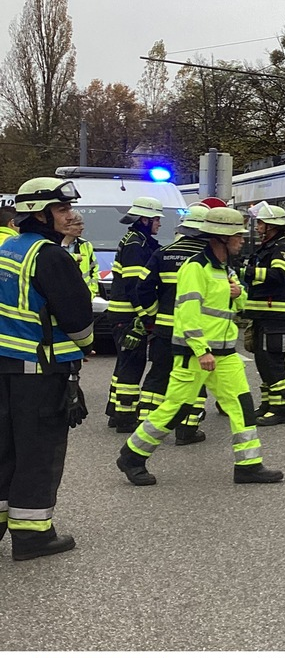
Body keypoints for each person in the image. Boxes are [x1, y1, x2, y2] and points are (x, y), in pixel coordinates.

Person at [116, 207, 284, 486]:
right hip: (196, 355)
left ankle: (249, 465)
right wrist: (200, 349)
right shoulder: (195, 268)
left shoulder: (224, 269)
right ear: (220, 237)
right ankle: (132, 455)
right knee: (176, 408)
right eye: (237, 236)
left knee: (241, 405)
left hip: (225, 354)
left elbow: (236, 310)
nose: (242, 240)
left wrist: (238, 293)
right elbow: (186, 313)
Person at [0, 177, 94, 560]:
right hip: (40, 372)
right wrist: (86, 345)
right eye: (61, 209)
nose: (70, 215)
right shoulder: (51, 256)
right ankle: (33, 535)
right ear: (39, 214)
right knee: (39, 453)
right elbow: (77, 317)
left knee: (4, 450)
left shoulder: (7, 249)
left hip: (4, 367)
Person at [132, 203, 212, 446]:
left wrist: (154, 314)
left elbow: (142, 288)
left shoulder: (163, 253)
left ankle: (145, 425)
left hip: (164, 329)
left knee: (157, 376)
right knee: (195, 378)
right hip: (198, 331)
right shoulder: (211, 259)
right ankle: (187, 429)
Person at [106, 197, 163, 434]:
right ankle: (125, 417)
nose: (159, 223)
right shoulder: (135, 245)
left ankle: (115, 409)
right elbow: (135, 286)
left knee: (124, 363)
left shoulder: (139, 241)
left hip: (125, 314)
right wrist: (146, 315)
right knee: (132, 364)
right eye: (157, 219)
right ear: (145, 219)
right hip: (129, 316)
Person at [243, 204, 285, 426]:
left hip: (275, 315)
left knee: (273, 362)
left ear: (272, 226)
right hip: (261, 315)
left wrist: (246, 271)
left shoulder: (284, 248)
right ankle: (267, 404)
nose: (257, 227)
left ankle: (282, 410)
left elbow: (278, 275)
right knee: (262, 362)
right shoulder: (265, 248)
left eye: (261, 223)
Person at [61, 211, 99, 298]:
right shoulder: (53, 245)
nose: (82, 228)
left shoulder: (86, 245)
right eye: (77, 224)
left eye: (82, 224)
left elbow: (94, 271)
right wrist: (74, 257)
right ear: (66, 226)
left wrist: (91, 293)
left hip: (82, 297)